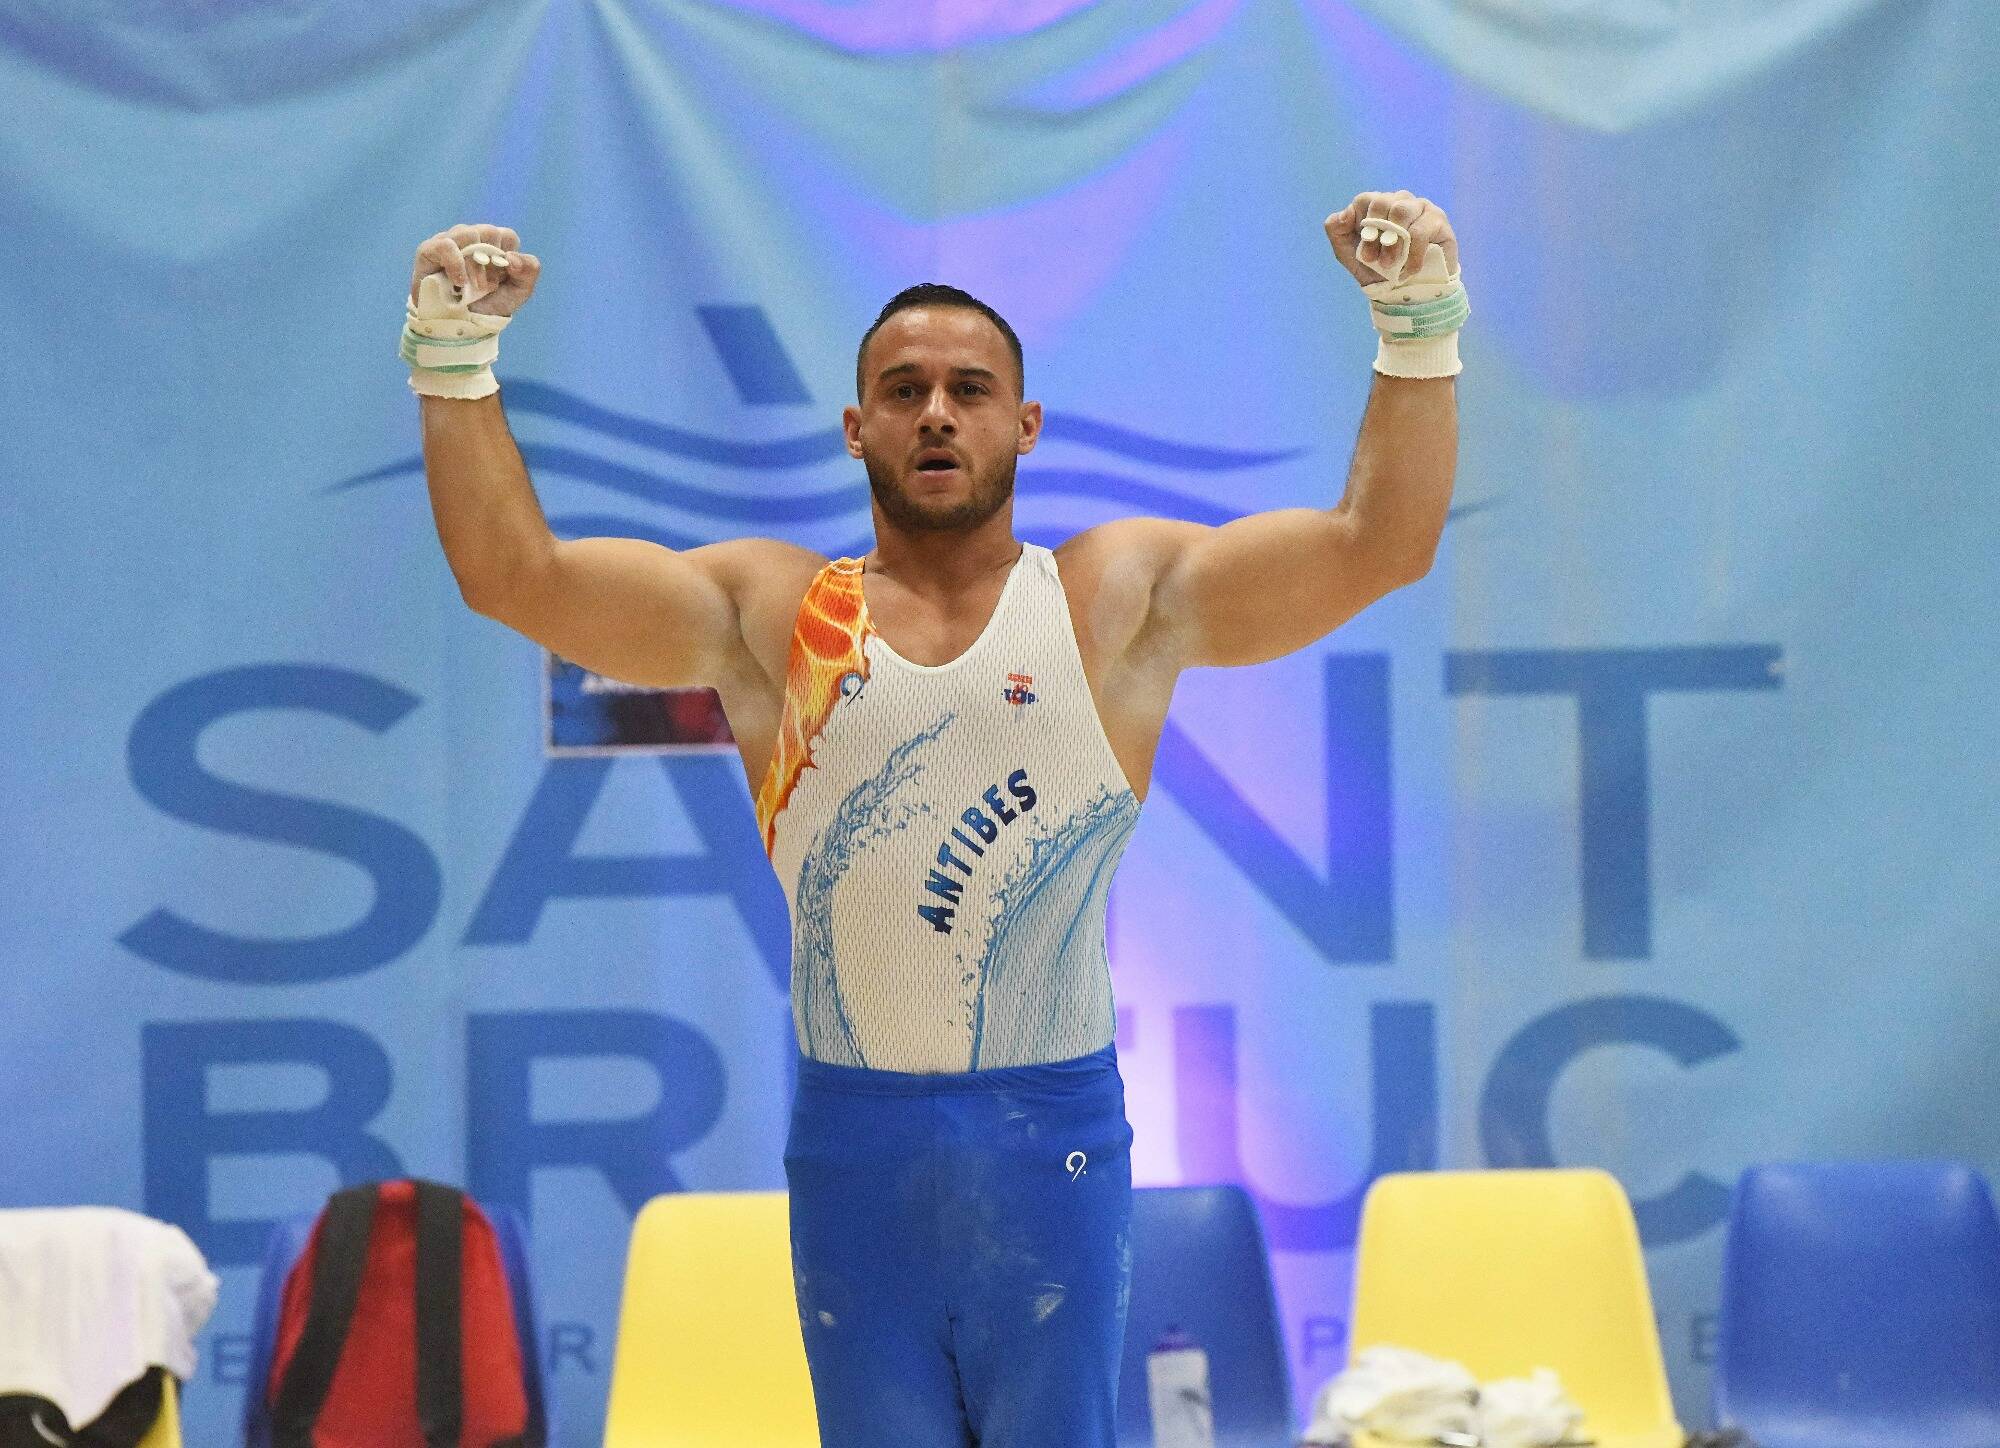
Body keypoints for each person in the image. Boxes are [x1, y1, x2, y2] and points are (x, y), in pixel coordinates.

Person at [406, 189, 1463, 1448]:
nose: (937, 412)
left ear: (1024, 423)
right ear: (855, 428)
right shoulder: (770, 617)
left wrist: (1415, 323)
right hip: (858, 1149)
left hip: (1047, 1141)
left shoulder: (1112, 603)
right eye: (903, 390)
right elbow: (511, 578)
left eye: (969, 387)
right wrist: (453, 360)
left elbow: (1376, 546)